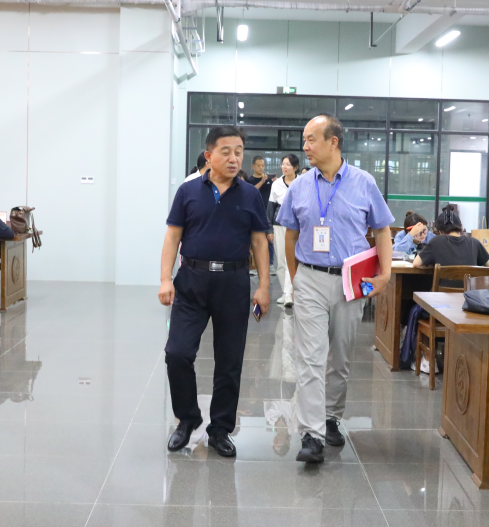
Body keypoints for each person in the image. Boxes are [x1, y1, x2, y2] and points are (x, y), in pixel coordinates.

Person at [276, 113, 394, 464]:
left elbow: (382, 229)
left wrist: (385, 274)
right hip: (310, 278)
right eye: (304, 139)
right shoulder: (299, 186)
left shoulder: (363, 182)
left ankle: (330, 418)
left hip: (349, 280)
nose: (305, 146)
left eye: (311, 139)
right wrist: (297, 278)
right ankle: (311, 435)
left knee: (340, 358)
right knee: (310, 358)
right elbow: (290, 236)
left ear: (333, 142)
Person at [158, 126, 271, 458]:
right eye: (226, 151)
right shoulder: (188, 191)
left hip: (233, 283)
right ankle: (187, 419)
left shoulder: (249, 194)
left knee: (229, 360)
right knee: (177, 353)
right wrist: (165, 279)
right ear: (209, 155)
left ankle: (220, 428)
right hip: (191, 281)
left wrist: (264, 287)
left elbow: (259, 242)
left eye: (239, 151)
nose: (234, 158)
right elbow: (172, 236)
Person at [267, 154, 300, 307]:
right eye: (283, 164)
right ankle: (284, 292)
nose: (284, 167)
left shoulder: (301, 182)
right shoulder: (276, 184)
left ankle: (289, 293)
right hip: (279, 224)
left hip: (296, 225)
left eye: (288, 164)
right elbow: (270, 208)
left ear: (296, 167)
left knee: (291, 259)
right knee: (280, 261)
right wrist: (269, 229)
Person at [412, 205, 489, 269]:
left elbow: (416, 264)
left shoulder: (436, 241)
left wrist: (433, 266)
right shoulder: (474, 242)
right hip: (469, 283)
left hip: (443, 284)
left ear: (440, 231)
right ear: (460, 227)